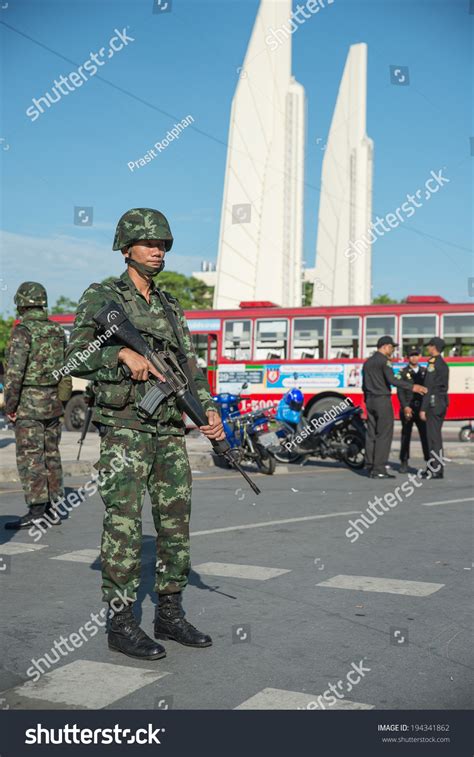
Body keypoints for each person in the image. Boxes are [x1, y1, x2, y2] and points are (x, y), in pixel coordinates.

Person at [66, 208, 225, 661]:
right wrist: (118, 353)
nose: (158, 251)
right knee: (124, 523)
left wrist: (209, 414)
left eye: (164, 244)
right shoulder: (102, 296)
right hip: (125, 430)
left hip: (169, 430)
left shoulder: (171, 305)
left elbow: (191, 370)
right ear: (125, 248)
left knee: (176, 523)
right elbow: (73, 357)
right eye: (149, 243)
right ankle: (120, 623)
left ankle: (169, 613)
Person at [4, 282, 67, 529]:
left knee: (31, 457)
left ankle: (37, 509)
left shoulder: (23, 331)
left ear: (21, 303)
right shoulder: (57, 330)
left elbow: (14, 373)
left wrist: (10, 405)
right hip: (52, 403)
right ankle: (54, 508)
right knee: (51, 453)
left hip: (29, 405)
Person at [362, 336, 427, 479]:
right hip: (382, 400)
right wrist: (413, 387)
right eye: (392, 347)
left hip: (370, 400)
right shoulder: (385, 361)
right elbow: (392, 380)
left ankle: (370, 465)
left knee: (371, 434)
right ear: (385, 346)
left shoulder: (368, 362)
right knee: (384, 435)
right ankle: (379, 469)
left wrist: (366, 400)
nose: (393, 350)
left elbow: (364, 385)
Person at [420, 337, 449, 479]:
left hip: (433, 403)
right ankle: (434, 467)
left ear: (434, 347)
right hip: (441, 402)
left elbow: (428, 387)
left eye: (429, 346)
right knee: (435, 436)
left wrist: (423, 408)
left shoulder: (433, 364)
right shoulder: (443, 364)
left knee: (433, 438)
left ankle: (435, 469)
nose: (428, 348)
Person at [396, 347, 429, 473]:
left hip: (421, 408)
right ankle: (404, 462)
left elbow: (427, 390)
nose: (414, 357)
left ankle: (428, 462)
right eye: (411, 355)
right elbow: (400, 391)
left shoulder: (424, 372)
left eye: (416, 355)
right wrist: (405, 407)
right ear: (407, 357)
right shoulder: (403, 372)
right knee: (405, 436)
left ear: (419, 356)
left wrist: (425, 409)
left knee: (425, 436)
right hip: (408, 408)